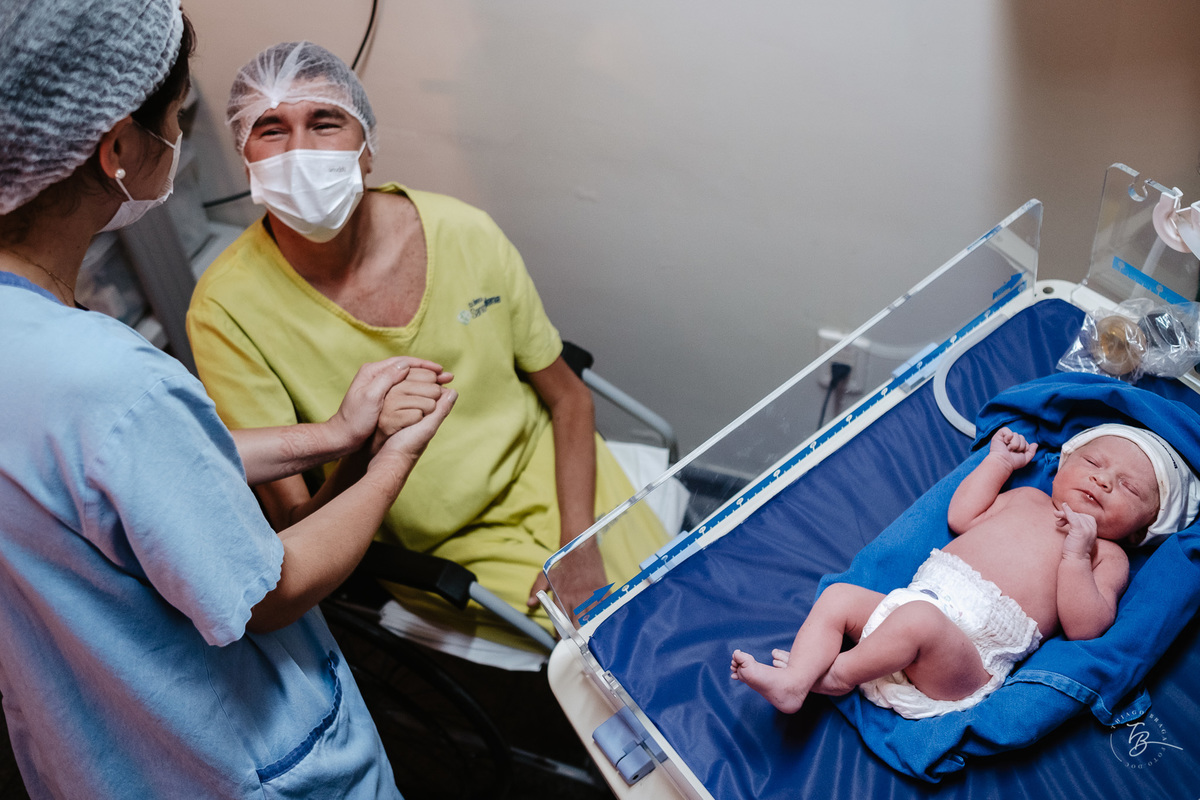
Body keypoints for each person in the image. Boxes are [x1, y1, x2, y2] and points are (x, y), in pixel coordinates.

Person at [0, 2, 456, 796]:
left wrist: (332, 434)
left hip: (93, 748)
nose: (179, 138)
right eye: (176, 117)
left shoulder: (36, 343)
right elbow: (268, 592)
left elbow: (124, 468)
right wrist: (391, 456)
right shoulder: (113, 377)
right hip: (232, 764)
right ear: (117, 148)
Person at [186, 41, 665, 639]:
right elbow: (295, 529)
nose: (300, 151)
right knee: (622, 647)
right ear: (245, 157)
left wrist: (580, 542)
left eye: (325, 122)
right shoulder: (226, 309)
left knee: (686, 591)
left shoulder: (463, 232)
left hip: (558, 475)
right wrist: (366, 444)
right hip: (445, 542)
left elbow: (568, 398)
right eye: (272, 129)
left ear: (366, 149)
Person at [730, 423, 1199, 720]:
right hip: (910, 608)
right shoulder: (1027, 497)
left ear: (1142, 531)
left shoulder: (1107, 554)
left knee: (918, 622)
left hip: (967, 661)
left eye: (1128, 488)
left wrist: (1076, 555)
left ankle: (838, 674)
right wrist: (998, 463)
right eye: (1094, 463)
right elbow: (962, 516)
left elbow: (1086, 627)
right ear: (1062, 467)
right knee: (839, 597)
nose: (1103, 480)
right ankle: (796, 681)